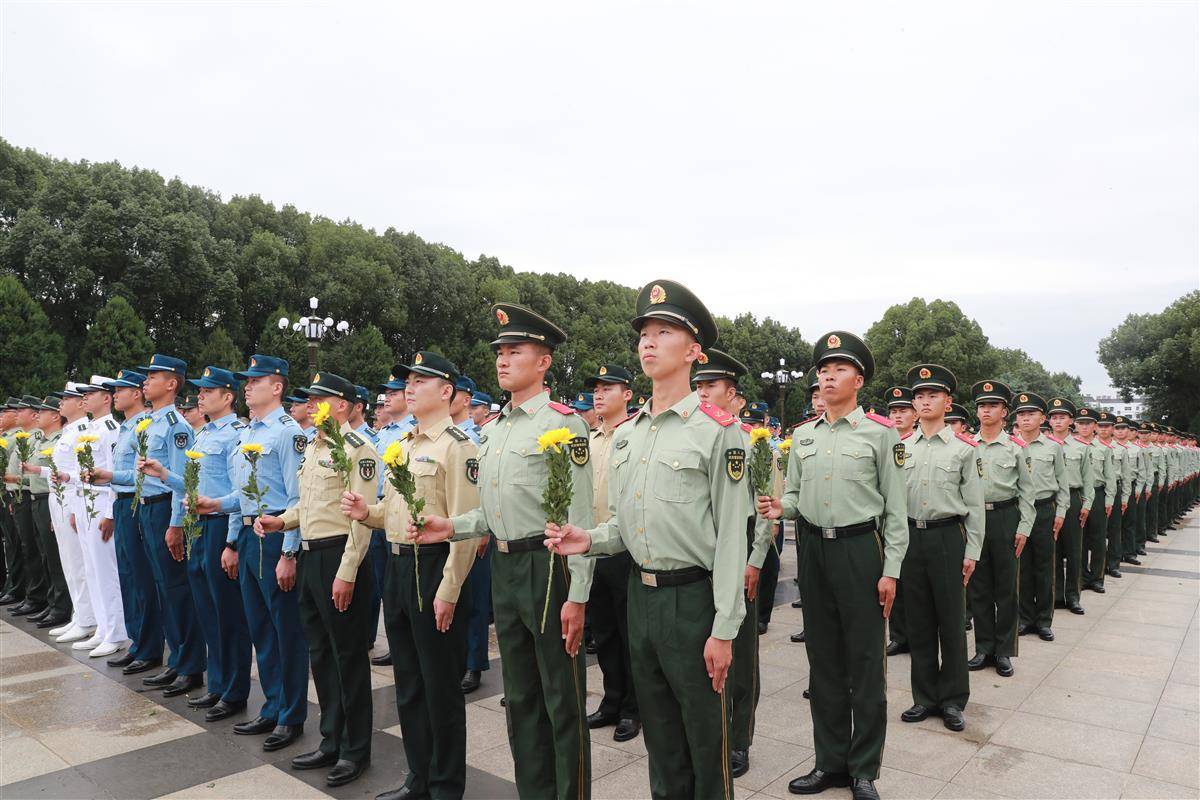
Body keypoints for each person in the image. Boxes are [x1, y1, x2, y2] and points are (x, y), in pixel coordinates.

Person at [545, 282, 750, 799]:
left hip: (694, 601)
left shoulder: (718, 431)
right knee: (659, 737)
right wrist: (586, 539)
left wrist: (725, 628)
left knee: (705, 737)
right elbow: (624, 526)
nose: (649, 342)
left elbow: (732, 538)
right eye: (644, 334)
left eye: (664, 332)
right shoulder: (630, 434)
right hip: (642, 597)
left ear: (694, 350)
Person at [413, 303, 595, 800]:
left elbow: (581, 518)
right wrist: (450, 526)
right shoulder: (493, 429)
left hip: (549, 566)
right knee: (520, 699)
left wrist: (578, 594)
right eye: (500, 351)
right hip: (506, 566)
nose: (503, 359)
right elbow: (491, 514)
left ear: (544, 362)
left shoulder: (565, 425)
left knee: (562, 699)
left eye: (515, 351)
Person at [756, 330, 905, 800]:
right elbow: (795, 493)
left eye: (839, 369)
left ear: (858, 380)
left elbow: (895, 510)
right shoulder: (803, 436)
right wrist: (782, 507)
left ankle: (864, 769)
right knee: (822, 660)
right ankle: (830, 762)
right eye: (823, 370)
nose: (828, 376)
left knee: (865, 662)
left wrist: (891, 570)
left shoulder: (880, 434)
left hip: (861, 550)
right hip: (814, 551)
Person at [340, 350, 480, 800]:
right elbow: (396, 512)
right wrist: (368, 512)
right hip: (399, 567)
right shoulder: (404, 444)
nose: (409, 388)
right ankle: (418, 778)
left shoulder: (458, 446)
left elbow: (467, 527)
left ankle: (445, 787)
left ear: (447, 391)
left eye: (420, 381)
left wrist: (450, 589)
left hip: (434, 567)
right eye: (408, 381)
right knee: (409, 684)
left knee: (440, 688)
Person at [258, 371, 379, 787]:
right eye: (309, 398)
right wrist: (281, 521)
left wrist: (347, 572)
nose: (310, 405)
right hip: (311, 556)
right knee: (321, 655)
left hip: (340, 557)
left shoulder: (357, 449)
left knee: (348, 657)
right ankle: (331, 740)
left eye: (319, 398)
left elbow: (361, 518)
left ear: (341, 405)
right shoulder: (314, 445)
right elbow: (311, 507)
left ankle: (355, 750)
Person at [195, 354, 308, 751]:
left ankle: (291, 715)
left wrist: (289, 553)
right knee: (260, 627)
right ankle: (273, 705)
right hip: (248, 534)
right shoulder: (249, 432)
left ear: (276, 387)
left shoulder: (288, 433)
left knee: (285, 630)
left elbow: (297, 497)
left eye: (255, 381)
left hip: (276, 536)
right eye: (246, 381)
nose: (247, 386)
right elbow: (242, 495)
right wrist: (218, 509)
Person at [142, 366, 253, 722]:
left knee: (228, 614)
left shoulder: (237, 434)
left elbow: (240, 492)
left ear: (227, 397)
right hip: (199, 525)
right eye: (200, 391)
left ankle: (234, 690)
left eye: (208, 391)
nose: (200, 396)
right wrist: (164, 474)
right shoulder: (203, 434)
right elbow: (194, 486)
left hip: (221, 524)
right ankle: (217, 684)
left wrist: (232, 541)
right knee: (207, 611)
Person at [898, 364, 984, 733]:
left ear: (947, 402)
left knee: (950, 622)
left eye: (932, 395)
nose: (924, 401)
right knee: (918, 622)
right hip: (911, 538)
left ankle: (952, 699)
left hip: (948, 537)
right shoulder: (902, 447)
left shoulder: (964, 450)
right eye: (919, 396)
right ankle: (924, 696)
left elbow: (975, 505)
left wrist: (972, 551)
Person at [578, 363, 639, 742]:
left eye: (608, 389)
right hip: (592, 545)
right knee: (603, 632)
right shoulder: (590, 439)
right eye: (596, 389)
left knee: (629, 633)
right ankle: (612, 700)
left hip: (624, 548)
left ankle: (634, 708)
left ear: (627, 394)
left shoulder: (636, 435)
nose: (599, 395)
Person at [966, 381, 1034, 678]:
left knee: (1006, 589)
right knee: (978, 587)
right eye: (982, 405)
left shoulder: (1017, 448)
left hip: (1006, 517)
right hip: (975, 518)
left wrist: (1024, 526)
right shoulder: (967, 446)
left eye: (993, 405)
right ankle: (984, 647)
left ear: (1005, 411)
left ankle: (1004, 650)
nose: (986, 410)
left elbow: (1028, 491)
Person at [97, 371, 163, 673]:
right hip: (122, 502)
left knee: (142, 578)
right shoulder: (125, 427)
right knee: (128, 575)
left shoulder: (144, 426)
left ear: (137, 393)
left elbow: (142, 474)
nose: (115, 395)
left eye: (120, 390)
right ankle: (137, 642)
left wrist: (110, 476)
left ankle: (149, 647)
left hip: (138, 502)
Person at [74, 378, 130, 658]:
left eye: (91, 393)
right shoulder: (90, 429)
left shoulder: (110, 430)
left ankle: (116, 632)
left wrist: (110, 513)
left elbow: (113, 472)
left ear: (106, 398)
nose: (85, 398)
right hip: (86, 502)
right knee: (92, 569)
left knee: (106, 572)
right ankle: (102, 627)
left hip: (101, 503)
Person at [40, 385, 98, 645]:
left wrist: (74, 509)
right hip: (59, 498)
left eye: (67, 399)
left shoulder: (83, 430)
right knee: (69, 562)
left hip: (73, 499)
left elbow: (80, 472)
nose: (61, 403)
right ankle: (79, 614)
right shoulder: (69, 430)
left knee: (79, 563)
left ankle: (87, 618)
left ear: (80, 403)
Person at [1011, 392, 1068, 641]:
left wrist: (1061, 512)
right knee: (1022, 568)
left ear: (1042, 418)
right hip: (1017, 511)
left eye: (1031, 414)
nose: (1025, 418)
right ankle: (1025, 618)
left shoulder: (1053, 447)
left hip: (1044, 510)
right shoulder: (1010, 445)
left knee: (1045, 567)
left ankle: (1044, 620)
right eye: (1021, 414)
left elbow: (1063, 483)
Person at [19, 395, 71, 631]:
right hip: (36, 499)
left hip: (52, 499)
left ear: (55, 416)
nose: (38, 415)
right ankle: (52, 602)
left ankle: (61, 607)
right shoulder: (40, 440)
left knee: (55, 556)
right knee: (44, 555)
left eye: (43, 411)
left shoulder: (60, 439)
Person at [1047, 398, 1094, 615]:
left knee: (1075, 550)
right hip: (1050, 500)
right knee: (1053, 551)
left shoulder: (1081, 447)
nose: (1058, 421)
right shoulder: (1042, 445)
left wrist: (1087, 503)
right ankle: (1056, 595)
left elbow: (1088, 478)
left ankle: (1073, 596)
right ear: (1049, 421)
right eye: (1054, 418)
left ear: (1071, 421)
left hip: (1074, 500)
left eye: (1062, 417)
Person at [4, 396, 48, 620]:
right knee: (24, 546)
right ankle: (30, 593)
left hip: (30, 494)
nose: (17, 414)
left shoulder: (35, 437)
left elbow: (31, 472)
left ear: (33, 414)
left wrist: (14, 483)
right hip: (18, 494)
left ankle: (37, 596)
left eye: (21, 410)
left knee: (33, 549)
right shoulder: (25, 436)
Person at [884, 386, 916, 657]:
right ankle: (898, 635)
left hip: (915, 521)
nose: (897, 415)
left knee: (915, 583)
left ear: (915, 414)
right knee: (895, 578)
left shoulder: (919, 442)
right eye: (893, 411)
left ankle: (918, 634)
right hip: (890, 523)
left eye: (903, 410)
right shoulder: (883, 442)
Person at [1075, 408, 1115, 594]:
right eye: (1081, 423)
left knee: (1098, 538)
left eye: (1088, 423)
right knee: (1080, 539)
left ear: (1095, 426)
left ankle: (1097, 578)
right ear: (1076, 425)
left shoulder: (1104, 449)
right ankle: (1082, 577)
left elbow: (1110, 476)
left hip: (1098, 495)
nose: (1084, 427)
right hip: (1078, 495)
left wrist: (1109, 499)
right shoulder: (1069, 447)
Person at [1098, 412, 1133, 584]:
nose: (1104, 429)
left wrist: (1125, 498)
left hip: (1116, 490)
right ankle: (1098, 566)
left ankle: (1113, 564)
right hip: (1097, 491)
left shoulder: (1121, 449)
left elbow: (1126, 476)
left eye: (1107, 426)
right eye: (1101, 426)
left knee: (1114, 529)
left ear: (1112, 428)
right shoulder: (1090, 447)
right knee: (1096, 532)